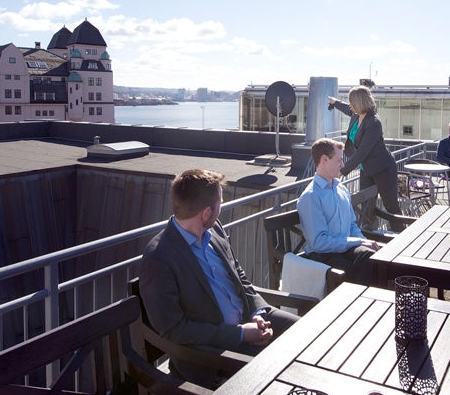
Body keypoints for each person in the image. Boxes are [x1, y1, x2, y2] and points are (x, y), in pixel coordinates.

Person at [136, 169, 299, 387]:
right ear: (205, 213)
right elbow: (174, 330)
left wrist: (257, 312)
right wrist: (240, 334)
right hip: (211, 353)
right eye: (220, 202)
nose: (221, 208)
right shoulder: (159, 258)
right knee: (286, 369)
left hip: (248, 321)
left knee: (307, 333)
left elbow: (238, 275)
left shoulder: (215, 229)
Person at [298, 138, 381, 284]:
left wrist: (365, 242)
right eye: (339, 160)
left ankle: (368, 301)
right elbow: (319, 243)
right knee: (353, 270)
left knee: (373, 256)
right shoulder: (311, 196)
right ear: (324, 160)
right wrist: (357, 241)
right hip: (323, 254)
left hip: (344, 248)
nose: (343, 165)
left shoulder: (341, 189)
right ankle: (359, 302)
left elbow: (351, 226)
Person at [328, 85, 400, 229]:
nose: (350, 105)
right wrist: (334, 103)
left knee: (391, 206)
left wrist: (342, 171)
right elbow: (346, 109)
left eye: (351, 102)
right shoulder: (356, 115)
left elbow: (362, 152)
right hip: (366, 169)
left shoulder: (373, 122)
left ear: (358, 103)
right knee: (367, 206)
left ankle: (402, 236)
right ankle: (371, 235)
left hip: (383, 169)